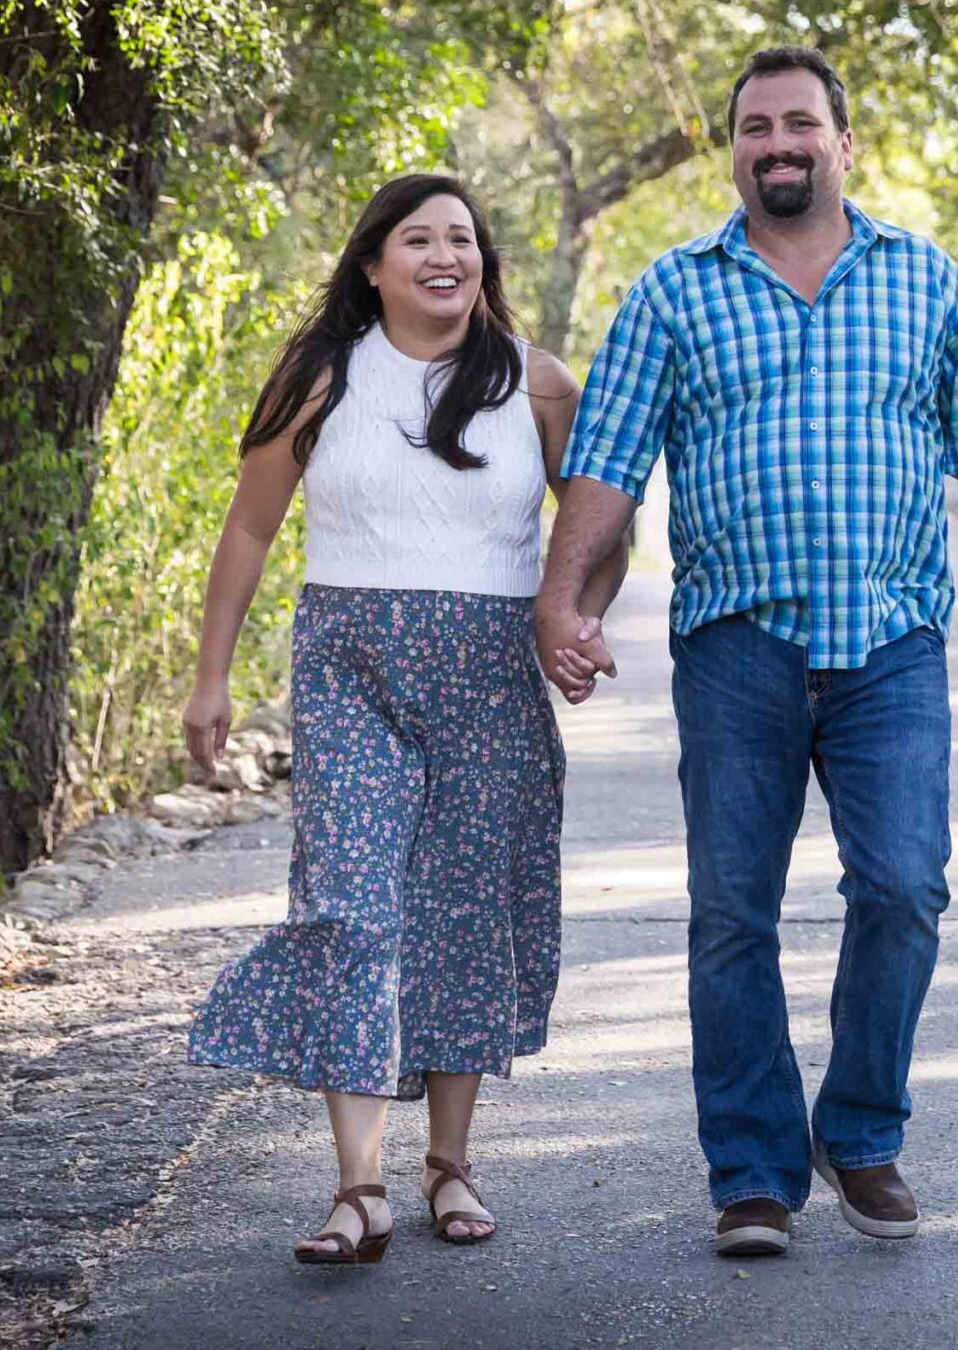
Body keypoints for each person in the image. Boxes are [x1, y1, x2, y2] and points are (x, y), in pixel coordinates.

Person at [534, 46, 958, 1257]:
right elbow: (606, 466)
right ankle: (755, 1171)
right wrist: (563, 602)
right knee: (731, 913)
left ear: (842, 143)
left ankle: (862, 1133)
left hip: (888, 643)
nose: (777, 144)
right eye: (754, 128)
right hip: (736, 645)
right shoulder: (674, 290)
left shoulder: (925, 281)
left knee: (904, 886)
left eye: (799, 125)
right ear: (734, 150)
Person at [182, 174, 625, 1264]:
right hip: (351, 670)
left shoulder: (537, 384)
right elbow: (247, 532)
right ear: (372, 264)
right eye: (417, 239)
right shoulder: (321, 375)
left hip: (487, 679)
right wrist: (211, 678)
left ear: (485, 264)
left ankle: (451, 1164)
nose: (445, 256)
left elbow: (601, 526)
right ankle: (360, 1185)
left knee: (466, 918)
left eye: (462, 239)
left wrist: (574, 620)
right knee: (351, 910)